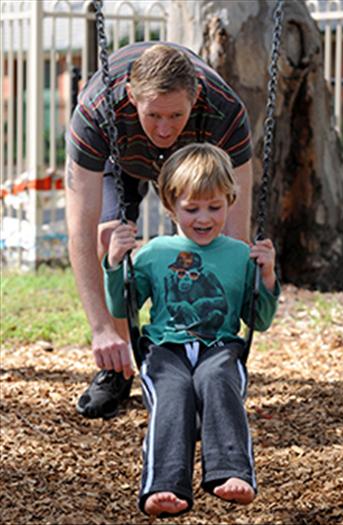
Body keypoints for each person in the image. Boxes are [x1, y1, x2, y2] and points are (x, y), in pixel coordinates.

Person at [65, 41, 254, 420]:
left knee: (205, 241)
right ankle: (115, 366)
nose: (164, 129)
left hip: (196, 158)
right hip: (121, 158)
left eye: (175, 115)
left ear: (195, 96)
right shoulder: (96, 110)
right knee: (108, 237)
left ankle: (200, 356)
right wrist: (100, 328)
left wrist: (227, 341)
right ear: (132, 96)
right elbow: (79, 231)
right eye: (153, 115)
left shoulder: (224, 110)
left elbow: (234, 233)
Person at [102, 143, 280, 517]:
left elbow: (259, 321)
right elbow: (123, 308)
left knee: (217, 380)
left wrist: (266, 276)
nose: (204, 217)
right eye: (192, 207)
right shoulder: (153, 253)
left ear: (229, 201)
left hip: (221, 347)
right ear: (170, 206)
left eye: (215, 207)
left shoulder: (239, 254)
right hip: (166, 351)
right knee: (173, 392)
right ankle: (163, 484)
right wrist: (115, 263)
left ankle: (232, 472)